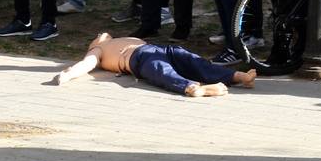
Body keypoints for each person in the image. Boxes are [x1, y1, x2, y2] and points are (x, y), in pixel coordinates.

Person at [56, 33, 256, 97]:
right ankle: (194, 88)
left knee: (192, 60)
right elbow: (85, 65)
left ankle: (236, 76)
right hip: (139, 59)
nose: (100, 33)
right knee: (164, 73)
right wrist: (67, 74)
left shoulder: (118, 39)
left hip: (159, 49)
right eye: (97, 36)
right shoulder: (98, 50)